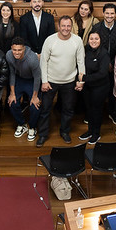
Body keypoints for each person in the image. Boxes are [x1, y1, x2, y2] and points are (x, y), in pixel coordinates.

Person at [36, 16, 85, 147]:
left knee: (68, 109)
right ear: (58, 26)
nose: (66, 28)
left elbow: (81, 62)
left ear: (71, 27)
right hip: (51, 81)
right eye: (63, 26)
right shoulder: (50, 40)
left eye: (68, 26)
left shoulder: (77, 40)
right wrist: (44, 81)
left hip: (69, 81)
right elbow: (43, 62)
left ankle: (65, 131)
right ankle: (43, 134)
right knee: (45, 109)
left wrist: (81, 81)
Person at [78, 32, 110, 144]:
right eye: (91, 38)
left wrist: (84, 78)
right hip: (88, 86)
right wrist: (81, 81)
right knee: (89, 109)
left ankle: (96, 133)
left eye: (96, 38)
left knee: (96, 110)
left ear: (100, 40)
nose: (94, 41)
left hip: (100, 87)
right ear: (88, 40)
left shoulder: (104, 53)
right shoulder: (86, 51)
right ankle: (90, 131)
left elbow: (102, 73)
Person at [7, 37, 41, 141]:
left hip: (32, 80)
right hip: (19, 79)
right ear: (11, 48)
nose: (16, 52)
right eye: (14, 50)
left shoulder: (32, 59)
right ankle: (22, 124)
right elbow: (12, 74)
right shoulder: (9, 55)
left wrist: (35, 96)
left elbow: (37, 77)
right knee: (12, 102)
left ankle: (32, 127)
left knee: (35, 105)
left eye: (19, 50)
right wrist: (12, 93)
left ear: (24, 49)